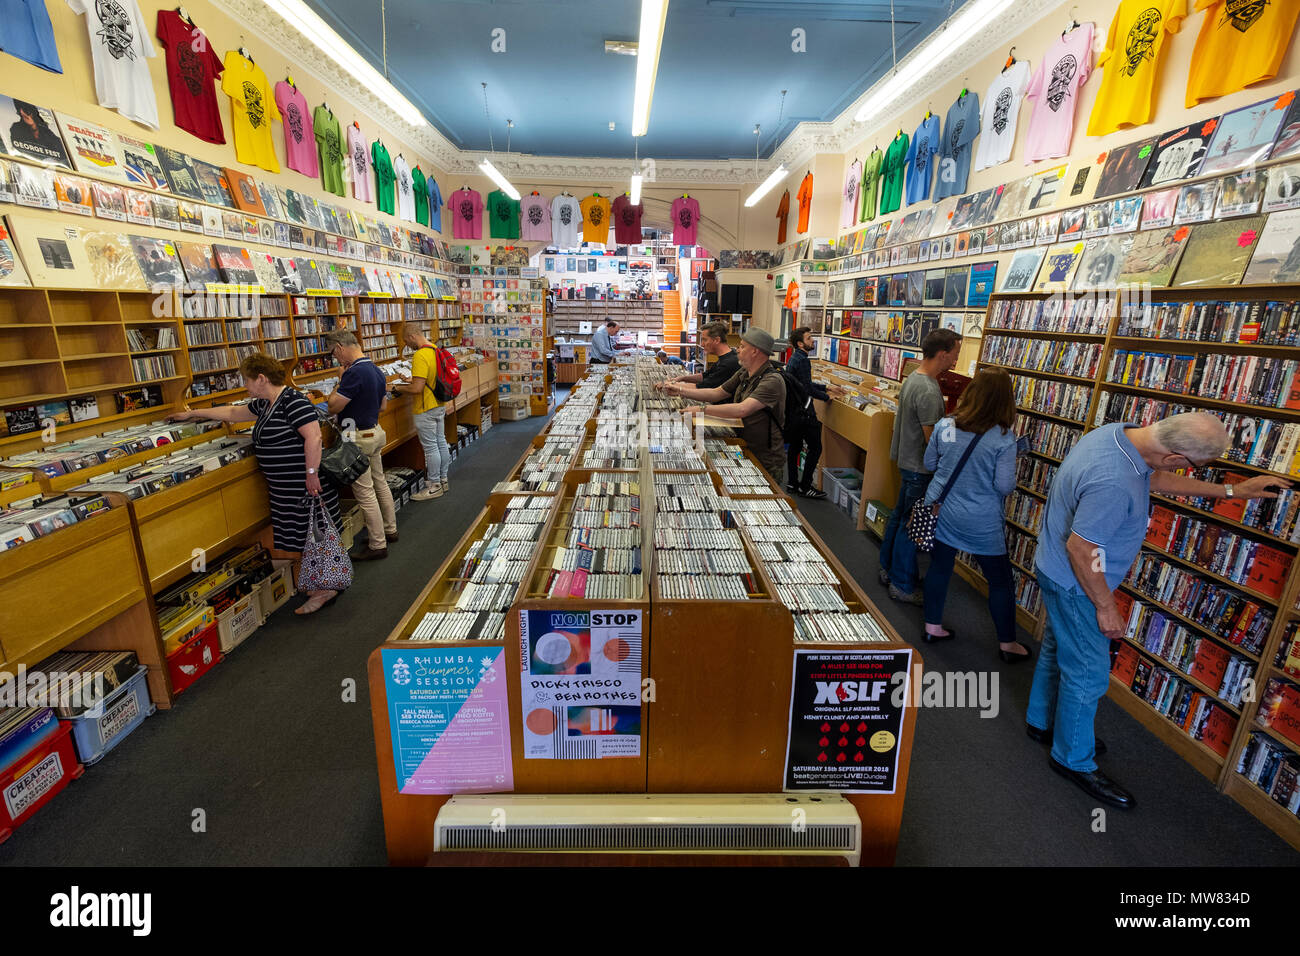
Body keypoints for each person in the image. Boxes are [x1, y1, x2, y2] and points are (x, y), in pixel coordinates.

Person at [1028, 412, 1290, 809]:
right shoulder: (1114, 480)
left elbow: (1154, 479)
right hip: (1076, 585)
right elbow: (1082, 550)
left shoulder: (1119, 436)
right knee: (1088, 674)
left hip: (1055, 571)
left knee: (1058, 650)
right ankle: (1072, 759)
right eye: (1198, 465)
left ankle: (1044, 723)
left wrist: (1232, 491)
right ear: (1174, 455)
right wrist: (1106, 607)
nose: (1195, 471)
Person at [168, 353, 344, 616]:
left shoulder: (293, 401)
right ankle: (322, 584)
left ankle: (325, 589)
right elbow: (232, 412)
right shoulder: (264, 404)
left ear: (261, 378)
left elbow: (314, 437)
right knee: (302, 535)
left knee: (314, 535)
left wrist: (311, 473)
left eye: (247, 380)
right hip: (284, 487)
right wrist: (193, 414)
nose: (246, 386)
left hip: (302, 483)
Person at [917, 369, 1029, 660]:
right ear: (1005, 400)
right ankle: (1008, 645)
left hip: (944, 510)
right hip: (981, 519)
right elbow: (1003, 486)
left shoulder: (947, 425)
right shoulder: (1003, 438)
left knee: (940, 568)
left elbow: (930, 462)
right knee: (1000, 581)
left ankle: (932, 626)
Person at [878, 328, 962, 606]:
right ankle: (902, 584)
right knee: (911, 526)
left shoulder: (914, 377)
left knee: (899, 517)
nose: (956, 361)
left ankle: (888, 569)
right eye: (955, 354)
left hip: (908, 463)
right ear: (942, 353)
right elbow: (932, 438)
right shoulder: (927, 389)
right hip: (920, 468)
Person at [663, 328, 787, 481]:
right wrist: (680, 390)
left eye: (742, 346)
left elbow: (742, 409)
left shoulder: (772, 381)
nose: (737, 349)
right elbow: (717, 392)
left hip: (765, 457)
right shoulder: (744, 372)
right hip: (743, 444)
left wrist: (702, 409)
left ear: (754, 351)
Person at [323, 330, 397, 561]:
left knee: (364, 492)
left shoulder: (353, 373)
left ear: (339, 347)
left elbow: (333, 406)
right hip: (374, 431)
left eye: (334, 354)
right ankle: (389, 529)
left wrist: (338, 380)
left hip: (357, 438)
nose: (337, 359)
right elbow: (383, 406)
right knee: (379, 482)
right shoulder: (375, 369)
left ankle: (377, 544)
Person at [785, 326, 847, 499]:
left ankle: (792, 483)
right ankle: (805, 487)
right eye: (809, 338)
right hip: (805, 413)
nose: (813, 340)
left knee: (795, 447)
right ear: (800, 343)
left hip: (794, 412)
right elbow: (807, 388)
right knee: (816, 448)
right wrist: (826, 397)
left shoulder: (795, 358)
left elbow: (804, 384)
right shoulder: (803, 360)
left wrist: (827, 387)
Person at [391, 326, 450, 500]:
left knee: (431, 448)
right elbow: (429, 377)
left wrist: (395, 387)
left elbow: (417, 388)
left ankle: (433, 485)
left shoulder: (420, 355)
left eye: (405, 341)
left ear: (411, 336)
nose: (406, 344)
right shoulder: (435, 350)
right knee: (441, 442)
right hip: (439, 403)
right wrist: (410, 379)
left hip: (425, 408)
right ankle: (443, 480)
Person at [662, 321, 739, 389]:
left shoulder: (728, 363)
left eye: (705, 340)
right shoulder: (727, 356)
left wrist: (671, 385)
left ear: (717, 340)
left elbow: (702, 387)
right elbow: (705, 376)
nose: (702, 344)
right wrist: (682, 378)